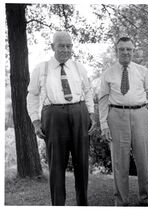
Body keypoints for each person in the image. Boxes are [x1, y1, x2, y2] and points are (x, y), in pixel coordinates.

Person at [27, 31, 96, 206]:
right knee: (56, 166)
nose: (66, 49)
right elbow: (32, 96)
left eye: (69, 46)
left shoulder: (79, 67)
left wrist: (91, 114)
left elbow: (87, 92)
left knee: (82, 164)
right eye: (61, 46)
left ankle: (83, 205)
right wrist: (36, 122)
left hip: (79, 113)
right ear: (53, 47)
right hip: (53, 116)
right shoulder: (41, 68)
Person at [99, 37, 148, 206]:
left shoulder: (142, 71)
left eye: (129, 49)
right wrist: (104, 124)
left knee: (144, 159)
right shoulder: (108, 73)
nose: (125, 52)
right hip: (117, 116)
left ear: (133, 51)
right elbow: (103, 99)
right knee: (119, 162)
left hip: (141, 114)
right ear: (116, 51)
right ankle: (121, 201)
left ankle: (146, 199)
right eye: (122, 49)